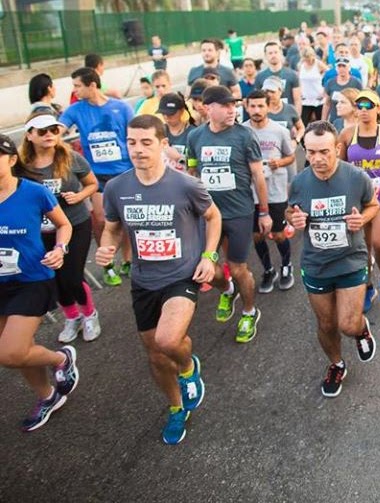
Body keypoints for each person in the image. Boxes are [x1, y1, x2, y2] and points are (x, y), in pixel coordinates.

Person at [97, 115, 219, 444]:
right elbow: (111, 227)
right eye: (132, 142)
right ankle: (176, 408)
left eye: (146, 142)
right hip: (144, 280)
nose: (137, 149)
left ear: (163, 145)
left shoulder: (185, 185)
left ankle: (188, 368)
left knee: (168, 341)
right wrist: (107, 249)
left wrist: (209, 256)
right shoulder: (117, 188)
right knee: (154, 354)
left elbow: (213, 215)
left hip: (182, 275)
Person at [287, 121, 379, 398]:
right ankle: (336, 364)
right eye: (311, 152)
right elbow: (290, 213)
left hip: (350, 258)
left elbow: (373, 204)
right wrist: (295, 218)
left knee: (348, 324)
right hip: (316, 263)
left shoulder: (356, 177)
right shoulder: (300, 182)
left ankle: (361, 331)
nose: (317, 159)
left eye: (324, 152)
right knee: (326, 324)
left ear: (337, 148)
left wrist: (361, 219)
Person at [0, 132, 79, 433]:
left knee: (10, 352)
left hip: (32, 279)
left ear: (10, 159)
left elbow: (64, 224)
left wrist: (60, 249)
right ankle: (48, 396)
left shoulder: (33, 192)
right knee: (19, 350)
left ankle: (61, 359)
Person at [186, 85, 269, 343]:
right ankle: (227, 289)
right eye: (226, 106)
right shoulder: (195, 137)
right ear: (207, 108)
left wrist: (264, 212)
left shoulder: (244, 136)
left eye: (234, 105)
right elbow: (191, 173)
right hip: (208, 215)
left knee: (238, 267)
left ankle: (248, 311)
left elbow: (258, 175)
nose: (233, 110)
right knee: (207, 266)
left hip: (238, 213)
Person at [19, 112, 101, 343]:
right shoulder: (21, 165)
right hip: (40, 231)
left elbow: (92, 184)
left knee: (72, 277)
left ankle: (89, 314)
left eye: (54, 130)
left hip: (75, 224)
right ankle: (71, 317)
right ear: (29, 135)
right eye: (42, 131)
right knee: (53, 277)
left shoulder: (71, 157)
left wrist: (78, 196)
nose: (49, 135)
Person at [60, 67, 134, 287]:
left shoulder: (120, 108)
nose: (74, 90)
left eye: (77, 86)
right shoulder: (76, 109)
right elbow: (60, 128)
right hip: (96, 174)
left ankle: (128, 260)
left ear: (92, 85)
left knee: (127, 220)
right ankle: (108, 264)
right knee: (101, 219)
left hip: (124, 171)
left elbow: (133, 136)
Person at [338, 90, 380, 313]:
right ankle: (367, 287)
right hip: (358, 197)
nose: (363, 111)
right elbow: (340, 164)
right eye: (359, 107)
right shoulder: (346, 134)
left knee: (379, 243)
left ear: (378, 109)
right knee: (361, 247)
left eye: (369, 106)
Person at [243, 90, 297, 293]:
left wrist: (279, 162)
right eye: (253, 106)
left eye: (260, 106)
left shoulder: (279, 131)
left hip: (275, 191)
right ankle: (268, 270)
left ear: (268, 107)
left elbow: (291, 157)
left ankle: (286, 266)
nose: (256, 110)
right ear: (246, 107)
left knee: (278, 234)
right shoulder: (241, 131)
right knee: (257, 236)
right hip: (250, 192)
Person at [255, 41, 302, 117]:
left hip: (288, 116)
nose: (273, 55)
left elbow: (297, 100)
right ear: (265, 56)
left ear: (280, 53)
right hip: (268, 118)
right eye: (270, 53)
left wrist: (296, 118)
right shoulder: (260, 77)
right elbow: (258, 101)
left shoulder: (292, 75)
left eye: (276, 52)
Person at [158, 93, 195, 172]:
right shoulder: (158, 132)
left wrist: (179, 158)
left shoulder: (193, 133)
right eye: (164, 114)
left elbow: (197, 164)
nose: (167, 117)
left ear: (181, 111)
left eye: (171, 114)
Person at [322, 58, 363, 127]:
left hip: (352, 120)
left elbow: (360, 103)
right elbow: (327, 104)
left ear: (349, 68)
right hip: (334, 120)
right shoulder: (330, 83)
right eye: (339, 66)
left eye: (344, 66)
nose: (341, 69)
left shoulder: (356, 83)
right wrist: (323, 121)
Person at [262, 77, 305, 143]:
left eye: (272, 92)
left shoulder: (289, 109)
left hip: (286, 149)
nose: (269, 95)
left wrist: (296, 140)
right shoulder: (260, 109)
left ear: (280, 91)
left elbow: (301, 128)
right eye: (266, 91)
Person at [298, 46, 326, 125]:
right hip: (306, 99)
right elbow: (299, 79)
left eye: (309, 57)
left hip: (318, 98)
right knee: (303, 122)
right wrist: (300, 92)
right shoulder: (301, 65)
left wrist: (324, 92)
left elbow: (328, 75)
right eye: (305, 58)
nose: (308, 60)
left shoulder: (318, 64)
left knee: (320, 123)